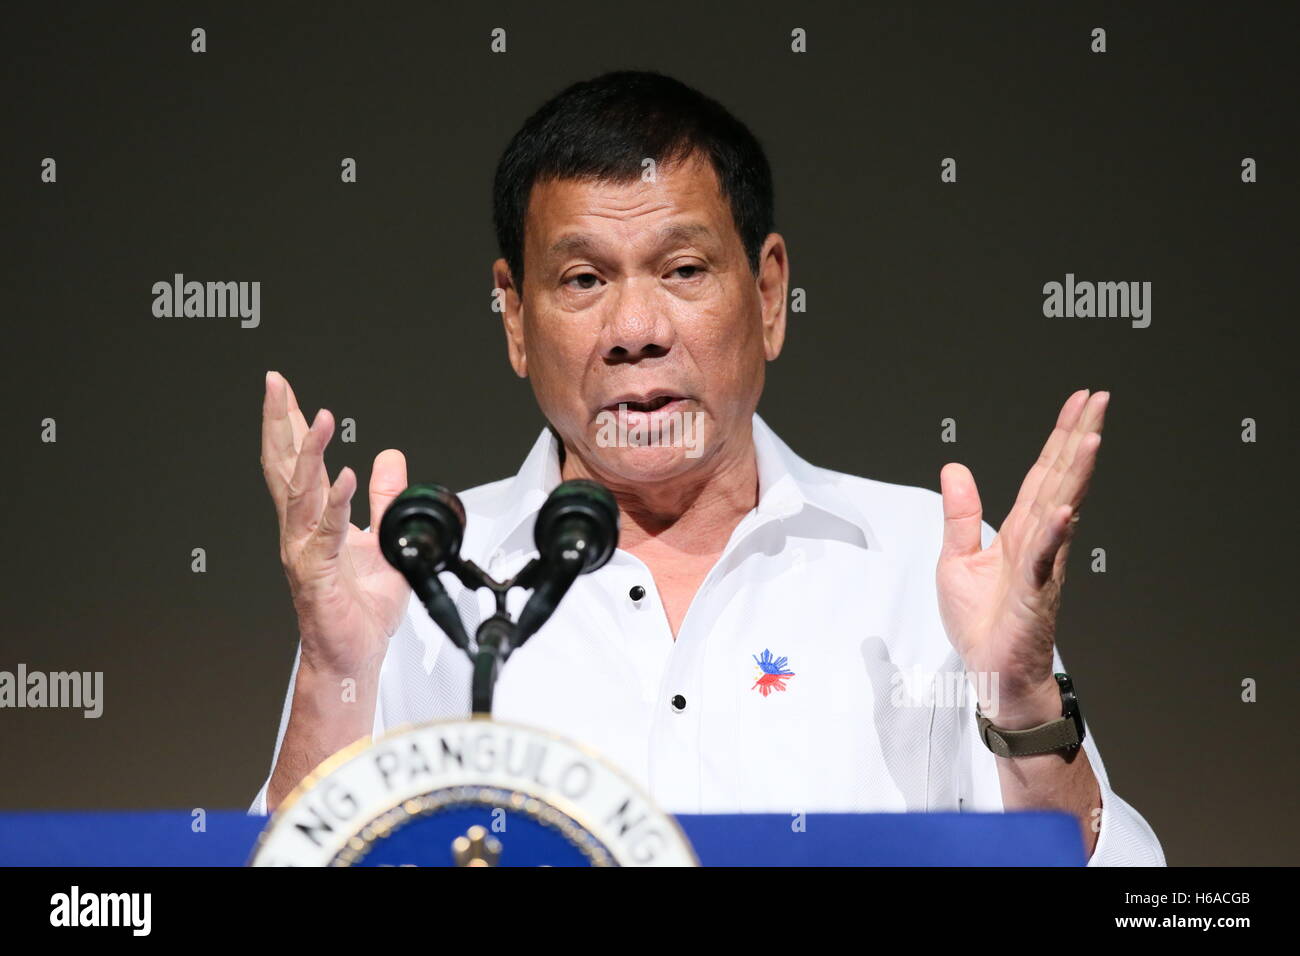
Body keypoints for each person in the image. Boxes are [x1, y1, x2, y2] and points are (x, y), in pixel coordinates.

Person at [252, 70, 1164, 866]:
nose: (636, 329)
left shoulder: (922, 566)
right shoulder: (420, 586)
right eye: (582, 281)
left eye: (683, 269)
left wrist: (1026, 698)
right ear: (514, 319)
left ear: (769, 293)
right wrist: (332, 677)